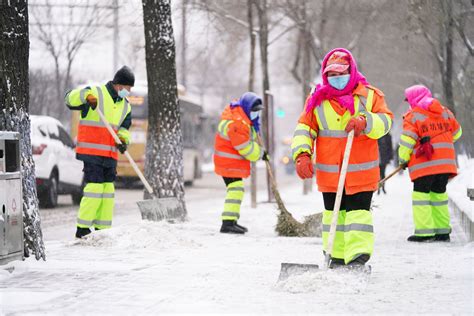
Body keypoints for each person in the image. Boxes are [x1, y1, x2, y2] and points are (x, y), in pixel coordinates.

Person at [291, 48, 393, 268]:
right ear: (326, 75)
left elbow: (386, 123)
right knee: (333, 215)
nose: (337, 79)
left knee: (358, 215)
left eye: (342, 73)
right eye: (332, 75)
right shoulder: (317, 99)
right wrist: (302, 154)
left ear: (352, 70)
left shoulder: (370, 96)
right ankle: (335, 256)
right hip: (330, 173)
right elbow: (304, 128)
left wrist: (365, 121)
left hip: (361, 171)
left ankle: (358, 256)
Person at [65, 66, 134, 239]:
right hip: (91, 151)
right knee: (94, 188)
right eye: (127, 88)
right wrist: (86, 97)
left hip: (110, 154)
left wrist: (124, 140)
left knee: (108, 190)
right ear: (118, 85)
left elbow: (124, 128)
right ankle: (83, 228)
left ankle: (102, 229)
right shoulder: (96, 92)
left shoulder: (125, 106)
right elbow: (69, 98)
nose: (128, 92)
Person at [398, 84, 462, 242]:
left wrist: (403, 159)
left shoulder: (413, 116)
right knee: (439, 196)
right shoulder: (445, 112)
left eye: (409, 100)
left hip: (424, 165)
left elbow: (407, 141)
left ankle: (425, 232)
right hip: (445, 164)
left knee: (421, 197)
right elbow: (457, 133)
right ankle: (443, 232)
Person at [213, 92, 269, 234]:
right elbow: (244, 147)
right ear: (247, 109)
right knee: (236, 189)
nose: (256, 114)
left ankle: (231, 221)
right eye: (254, 111)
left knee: (236, 190)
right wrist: (260, 153)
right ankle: (227, 223)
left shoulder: (241, 119)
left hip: (230, 162)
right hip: (228, 163)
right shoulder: (237, 123)